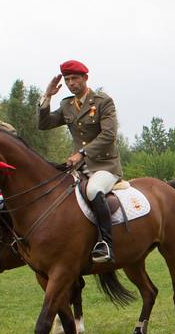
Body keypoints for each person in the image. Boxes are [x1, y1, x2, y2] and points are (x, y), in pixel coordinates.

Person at [38, 60, 120, 264]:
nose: (71, 83)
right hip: (77, 168)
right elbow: (44, 124)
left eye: (75, 78)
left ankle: (106, 244)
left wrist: (82, 153)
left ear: (85, 78)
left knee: (93, 191)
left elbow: (109, 135)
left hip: (105, 166)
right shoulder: (67, 105)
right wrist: (47, 96)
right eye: (67, 80)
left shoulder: (102, 101)